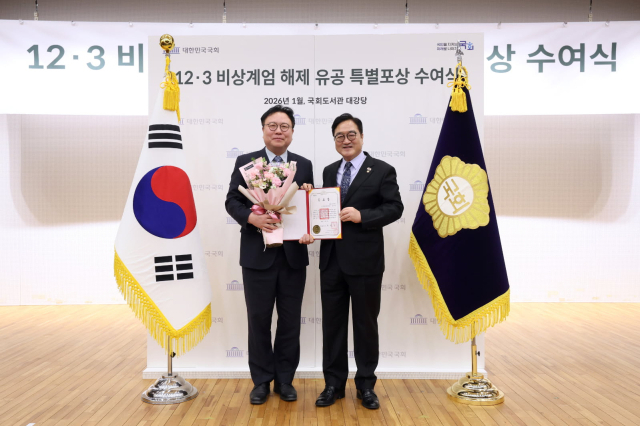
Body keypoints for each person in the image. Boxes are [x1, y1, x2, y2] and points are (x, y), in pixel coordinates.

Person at [313, 113, 403, 409]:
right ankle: (333, 385)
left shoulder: (382, 169)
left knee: (365, 325)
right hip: (331, 261)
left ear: (361, 137)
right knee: (332, 326)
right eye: (339, 136)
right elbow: (322, 210)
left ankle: (366, 385)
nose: (346, 140)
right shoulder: (329, 171)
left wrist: (362, 215)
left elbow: (395, 208)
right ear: (334, 140)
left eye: (351, 134)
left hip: (365, 262)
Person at [225, 105, 314, 405]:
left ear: (292, 132)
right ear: (263, 130)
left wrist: (310, 227)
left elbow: (308, 206)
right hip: (257, 256)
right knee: (259, 321)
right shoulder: (247, 163)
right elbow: (232, 201)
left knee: (290, 321)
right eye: (272, 126)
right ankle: (261, 381)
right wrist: (252, 218)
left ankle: (285, 380)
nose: (278, 131)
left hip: (292, 257)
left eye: (284, 126)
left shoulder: (304, 165)